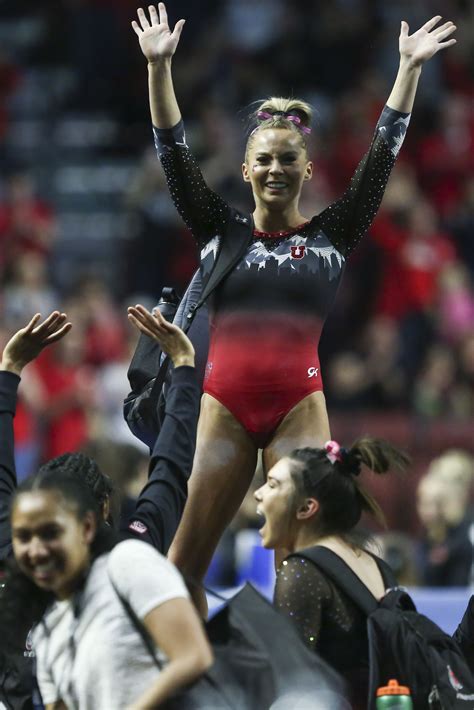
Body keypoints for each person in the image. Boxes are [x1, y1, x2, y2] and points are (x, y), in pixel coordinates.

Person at [132, 4, 457, 614]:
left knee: (302, 572)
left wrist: (407, 69)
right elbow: (173, 154)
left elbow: (380, 158)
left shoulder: (334, 234)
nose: (276, 168)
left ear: (308, 168)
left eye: (289, 159)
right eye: (265, 159)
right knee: (180, 571)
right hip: (222, 407)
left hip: (298, 410)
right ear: (246, 169)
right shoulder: (217, 230)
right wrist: (160, 69)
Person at [0, 306, 205, 708]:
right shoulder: (128, 546)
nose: (37, 549)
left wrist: (10, 371)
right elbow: (171, 469)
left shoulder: (128, 560)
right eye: (32, 534)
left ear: (90, 525)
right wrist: (182, 370)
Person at [253, 438, 410, 708]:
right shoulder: (378, 567)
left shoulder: (302, 571)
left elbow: (289, 689)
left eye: (272, 485)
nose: (259, 493)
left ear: (306, 508)